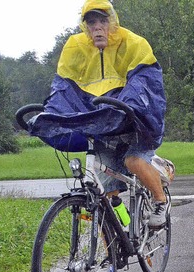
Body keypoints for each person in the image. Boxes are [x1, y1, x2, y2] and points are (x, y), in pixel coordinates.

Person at [35, 0, 169, 228]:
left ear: (112, 22)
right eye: (91, 22)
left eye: (102, 21)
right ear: (85, 26)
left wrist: (127, 109)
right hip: (104, 127)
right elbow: (63, 89)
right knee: (105, 190)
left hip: (134, 124)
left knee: (133, 161)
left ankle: (160, 200)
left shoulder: (133, 43)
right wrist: (54, 115)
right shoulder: (75, 47)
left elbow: (144, 84)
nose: (97, 27)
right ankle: (122, 234)